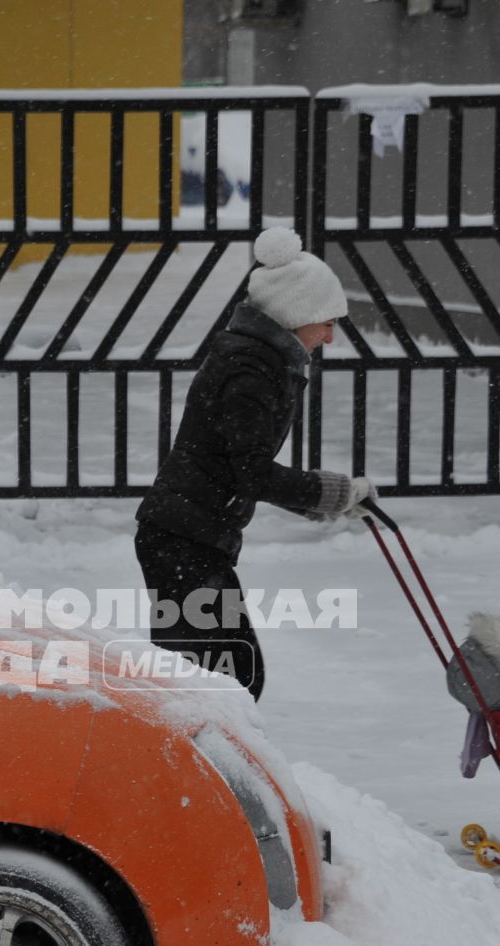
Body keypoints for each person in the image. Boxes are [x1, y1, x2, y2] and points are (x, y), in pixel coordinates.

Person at [135, 226, 375, 701]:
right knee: (227, 681)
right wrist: (334, 495)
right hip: (184, 541)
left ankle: (176, 767)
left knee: (203, 681)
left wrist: (329, 499)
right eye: (327, 322)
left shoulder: (257, 359)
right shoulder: (251, 370)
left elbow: (243, 468)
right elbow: (253, 472)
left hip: (186, 536)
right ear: (296, 314)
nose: (330, 335)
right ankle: (172, 769)